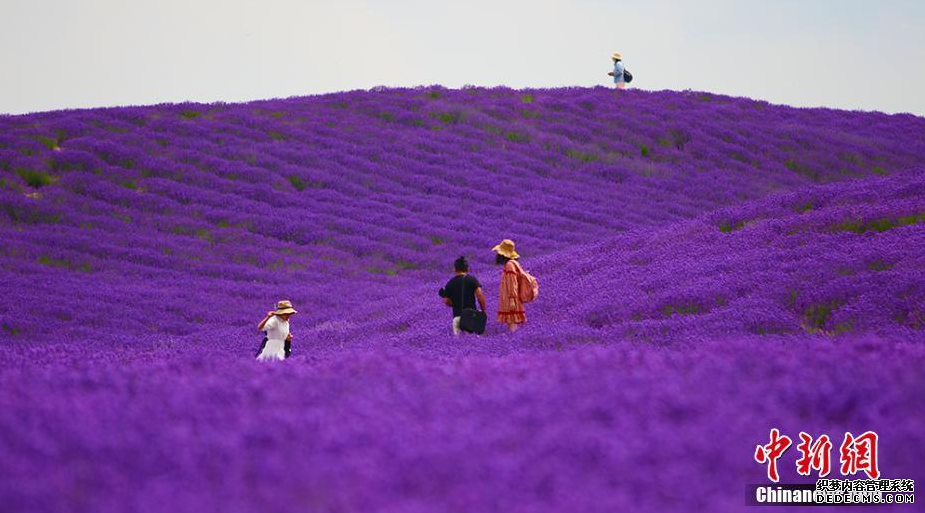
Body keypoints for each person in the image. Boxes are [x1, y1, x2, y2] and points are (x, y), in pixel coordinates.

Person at [438, 256, 487, 335]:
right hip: (471, 316)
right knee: (473, 342)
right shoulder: (472, 280)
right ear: (467, 269)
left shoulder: (450, 283)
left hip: (457, 317)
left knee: (458, 343)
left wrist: (454, 303)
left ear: (454, 269)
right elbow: (480, 295)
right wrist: (483, 310)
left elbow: (447, 301)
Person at [492, 239, 527, 332]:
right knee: (511, 320)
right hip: (510, 297)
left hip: (511, 298)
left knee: (512, 320)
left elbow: (512, 283)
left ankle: (514, 337)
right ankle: (514, 336)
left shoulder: (509, 265)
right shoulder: (511, 264)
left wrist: (512, 299)